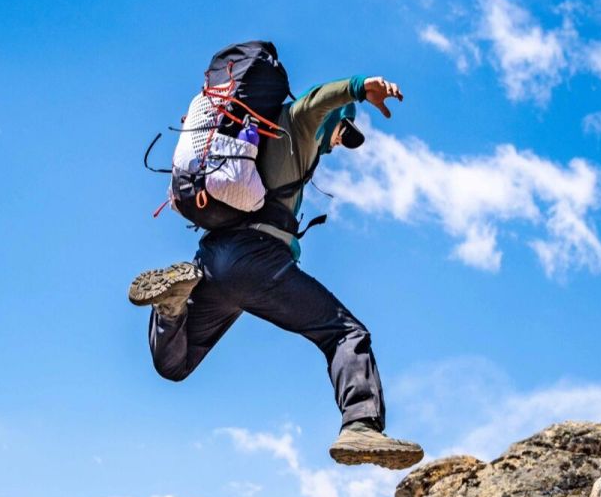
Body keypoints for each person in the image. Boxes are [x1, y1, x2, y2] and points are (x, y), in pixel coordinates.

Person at [128, 73, 423, 468]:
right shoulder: (299, 122)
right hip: (258, 261)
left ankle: (170, 310)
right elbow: (316, 101)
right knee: (345, 332)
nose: (340, 143)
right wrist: (357, 88)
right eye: (345, 131)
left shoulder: (253, 138)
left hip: (214, 258)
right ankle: (361, 425)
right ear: (334, 119)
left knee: (173, 367)